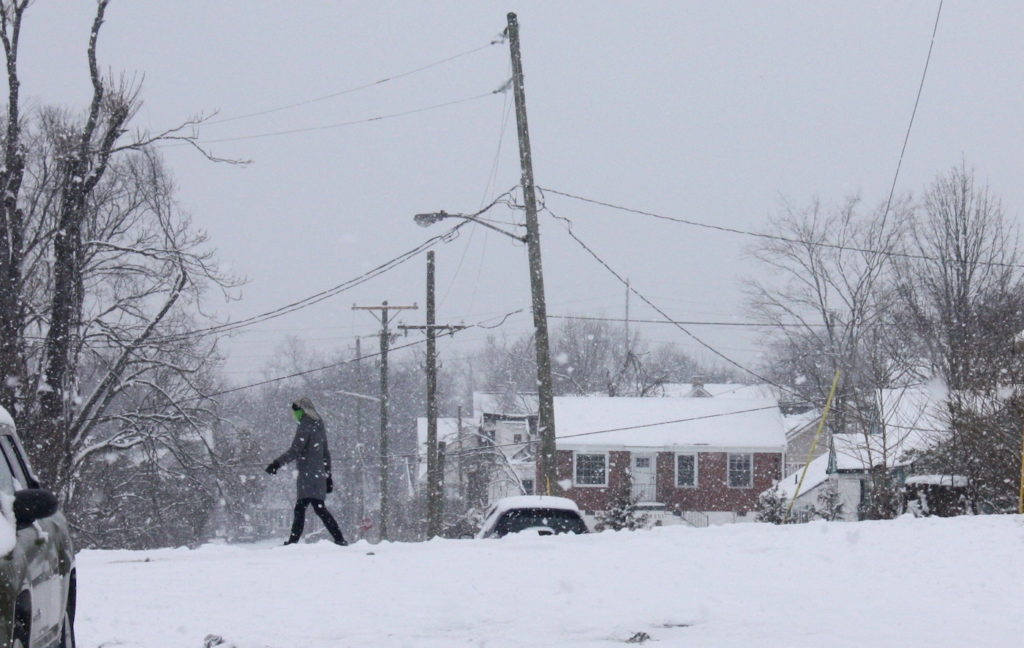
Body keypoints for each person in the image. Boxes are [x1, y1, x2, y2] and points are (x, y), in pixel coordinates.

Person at [265, 397, 347, 546]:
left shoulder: (305, 424)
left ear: (302, 410)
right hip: (318, 475)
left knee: (302, 508)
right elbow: (325, 452)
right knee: (317, 508)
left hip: (308, 475)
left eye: (296, 411)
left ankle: (294, 542)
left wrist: (276, 463)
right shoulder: (319, 423)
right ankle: (338, 538)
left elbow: (295, 450)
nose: (294, 414)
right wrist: (328, 476)